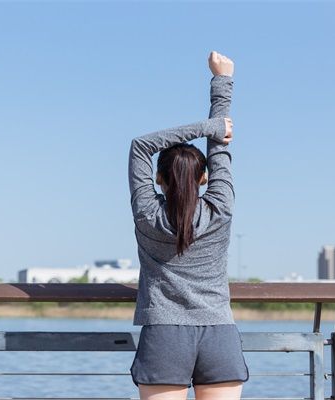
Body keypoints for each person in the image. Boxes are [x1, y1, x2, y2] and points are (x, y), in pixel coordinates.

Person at [127, 51, 249, 400]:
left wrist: (206, 127)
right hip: (218, 333)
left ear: (158, 179)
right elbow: (220, 145)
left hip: (164, 334)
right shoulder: (219, 208)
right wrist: (221, 84)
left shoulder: (148, 214)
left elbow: (140, 146)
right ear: (205, 178)